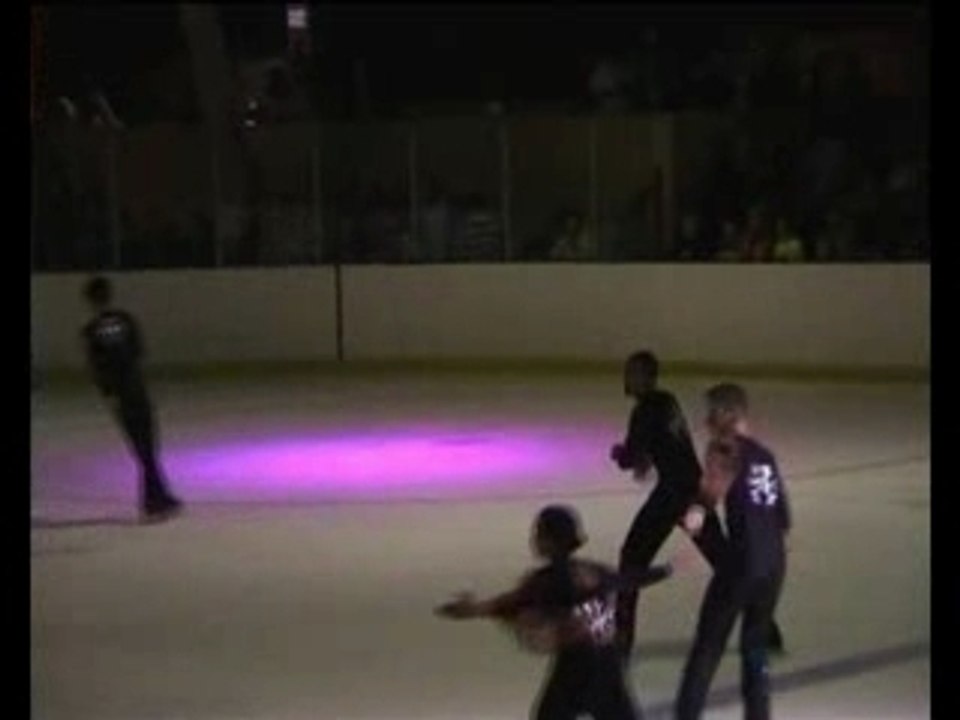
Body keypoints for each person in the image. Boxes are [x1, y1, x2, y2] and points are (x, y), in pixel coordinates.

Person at [610, 351, 784, 661]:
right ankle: (765, 628)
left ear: (647, 377)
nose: (628, 380)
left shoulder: (645, 411)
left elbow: (633, 457)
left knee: (632, 559)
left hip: (672, 495)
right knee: (725, 561)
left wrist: (621, 454)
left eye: (633, 374)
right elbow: (662, 442)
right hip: (692, 489)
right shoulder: (667, 401)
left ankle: (621, 642)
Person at [436, 504, 677, 720]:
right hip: (607, 662)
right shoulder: (592, 569)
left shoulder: (546, 580)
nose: (534, 538)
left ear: (549, 541)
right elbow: (627, 580)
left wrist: (472, 609)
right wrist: (666, 570)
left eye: (538, 533)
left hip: (576, 665)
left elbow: (512, 603)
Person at [674, 384, 791, 720]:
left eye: (712, 412)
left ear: (728, 415)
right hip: (773, 565)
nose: (707, 419)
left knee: (708, 646)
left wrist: (696, 511)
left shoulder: (724, 448)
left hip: (742, 563)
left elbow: (712, 488)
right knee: (755, 648)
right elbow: (782, 518)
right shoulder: (765, 455)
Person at [80, 276, 183, 522]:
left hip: (120, 394)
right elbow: (138, 352)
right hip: (137, 388)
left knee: (141, 447)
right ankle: (155, 499)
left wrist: (108, 393)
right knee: (148, 445)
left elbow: (97, 368)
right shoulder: (126, 320)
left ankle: (155, 499)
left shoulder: (91, 331)